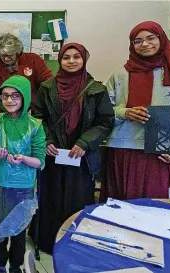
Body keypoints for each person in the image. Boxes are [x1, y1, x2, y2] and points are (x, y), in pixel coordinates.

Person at [31, 43, 114, 253]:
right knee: (51, 196)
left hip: (82, 157)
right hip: (53, 155)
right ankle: (48, 241)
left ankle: (73, 242)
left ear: (84, 59)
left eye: (76, 57)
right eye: (66, 57)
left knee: (78, 198)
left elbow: (105, 121)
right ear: (60, 60)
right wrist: (47, 141)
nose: (71, 61)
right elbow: (38, 118)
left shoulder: (97, 89)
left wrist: (84, 142)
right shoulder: (47, 87)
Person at [101, 21, 170, 201]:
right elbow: (103, 112)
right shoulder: (120, 75)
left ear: (161, 39)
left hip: (163, 151)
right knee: (122, 206)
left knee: (157, 208)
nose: (144, 44)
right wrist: (125, 112)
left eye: (151, 38)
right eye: (137, 41)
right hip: (123, 149)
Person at [0, 75, 46, 273]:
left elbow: (40, 161)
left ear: (25, 97)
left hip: (22, 186)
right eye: (5, 96)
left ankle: (15, 266)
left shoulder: (35, 126)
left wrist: (23, 159)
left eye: (15, 96)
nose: (9, 100)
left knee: (18, 230)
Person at [0, 33, 52, 113]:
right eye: (2, 55)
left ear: (18, 52)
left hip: (32, 112)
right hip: (5, 114)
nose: (6, 59)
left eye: (10, 55)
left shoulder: (34, 60)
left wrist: (38, 110)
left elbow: (48, 85)